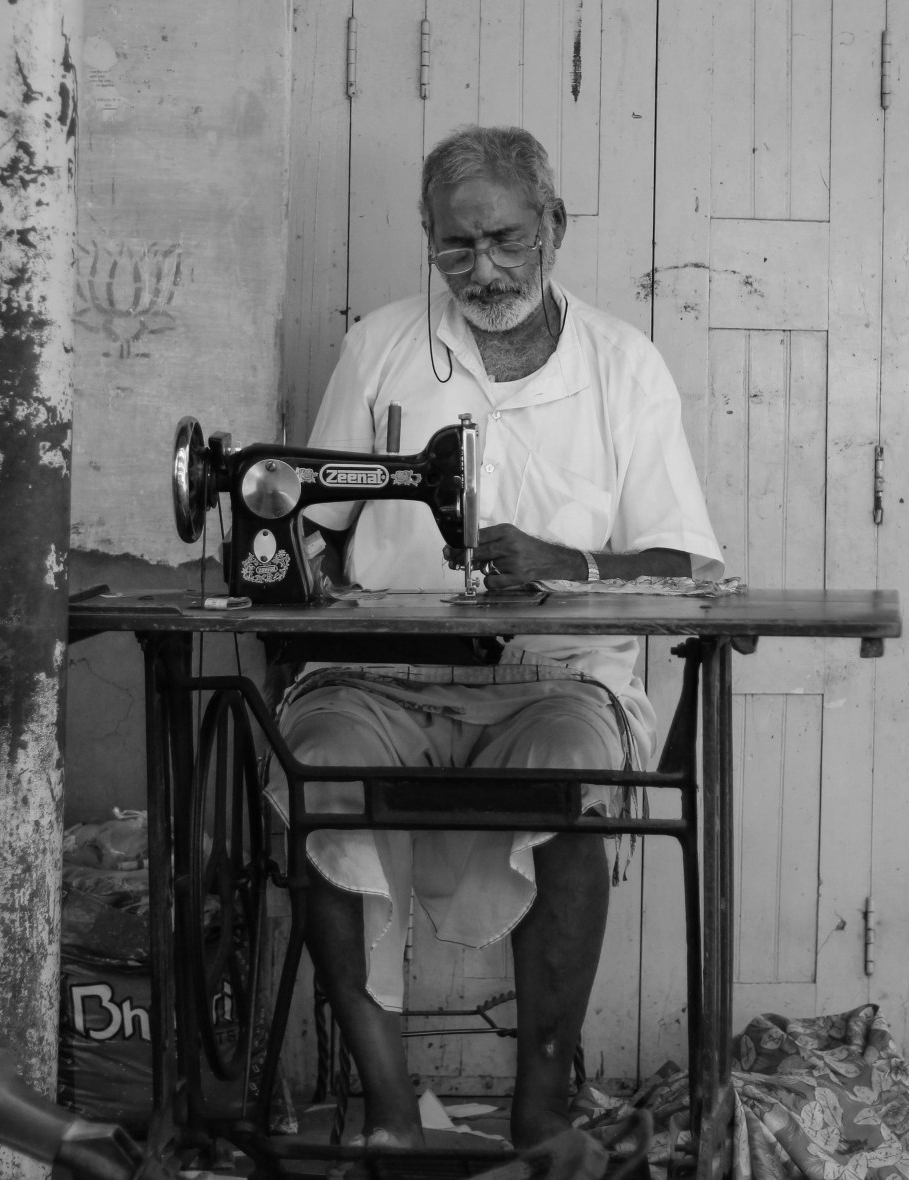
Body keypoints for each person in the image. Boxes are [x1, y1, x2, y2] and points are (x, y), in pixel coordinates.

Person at [265, 125, 723, 1156]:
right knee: (317, 766)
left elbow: (690, 568)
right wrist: (261, 546)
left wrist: (569, 565)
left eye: (507, 240)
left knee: (573, 767)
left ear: (554, 225)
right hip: (379, 676)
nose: (483, 270)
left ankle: (540, 1115)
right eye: (455, 248)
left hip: (550, 678)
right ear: (426, 238)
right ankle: (388, 1116)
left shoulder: (622, 366)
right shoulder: (379, 347)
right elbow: (315, 529)